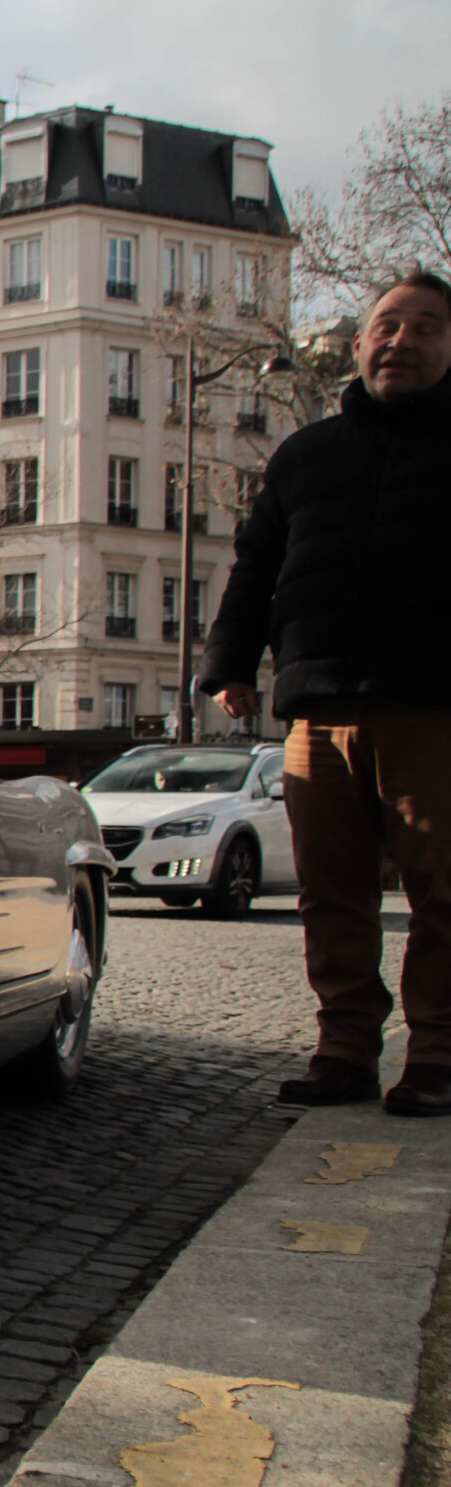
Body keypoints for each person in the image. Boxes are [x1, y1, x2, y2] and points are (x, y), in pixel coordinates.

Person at [199, 267, 451, 1113]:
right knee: (330, 894)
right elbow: (255, 566)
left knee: (442, 893)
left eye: (425, 327)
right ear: (358, 342)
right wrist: (229, 662)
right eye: (388, 325)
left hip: (433, 708)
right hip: (319, 706)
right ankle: (344, 1051)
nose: (401, 340)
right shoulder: (305, 454)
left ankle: (438, 1056)